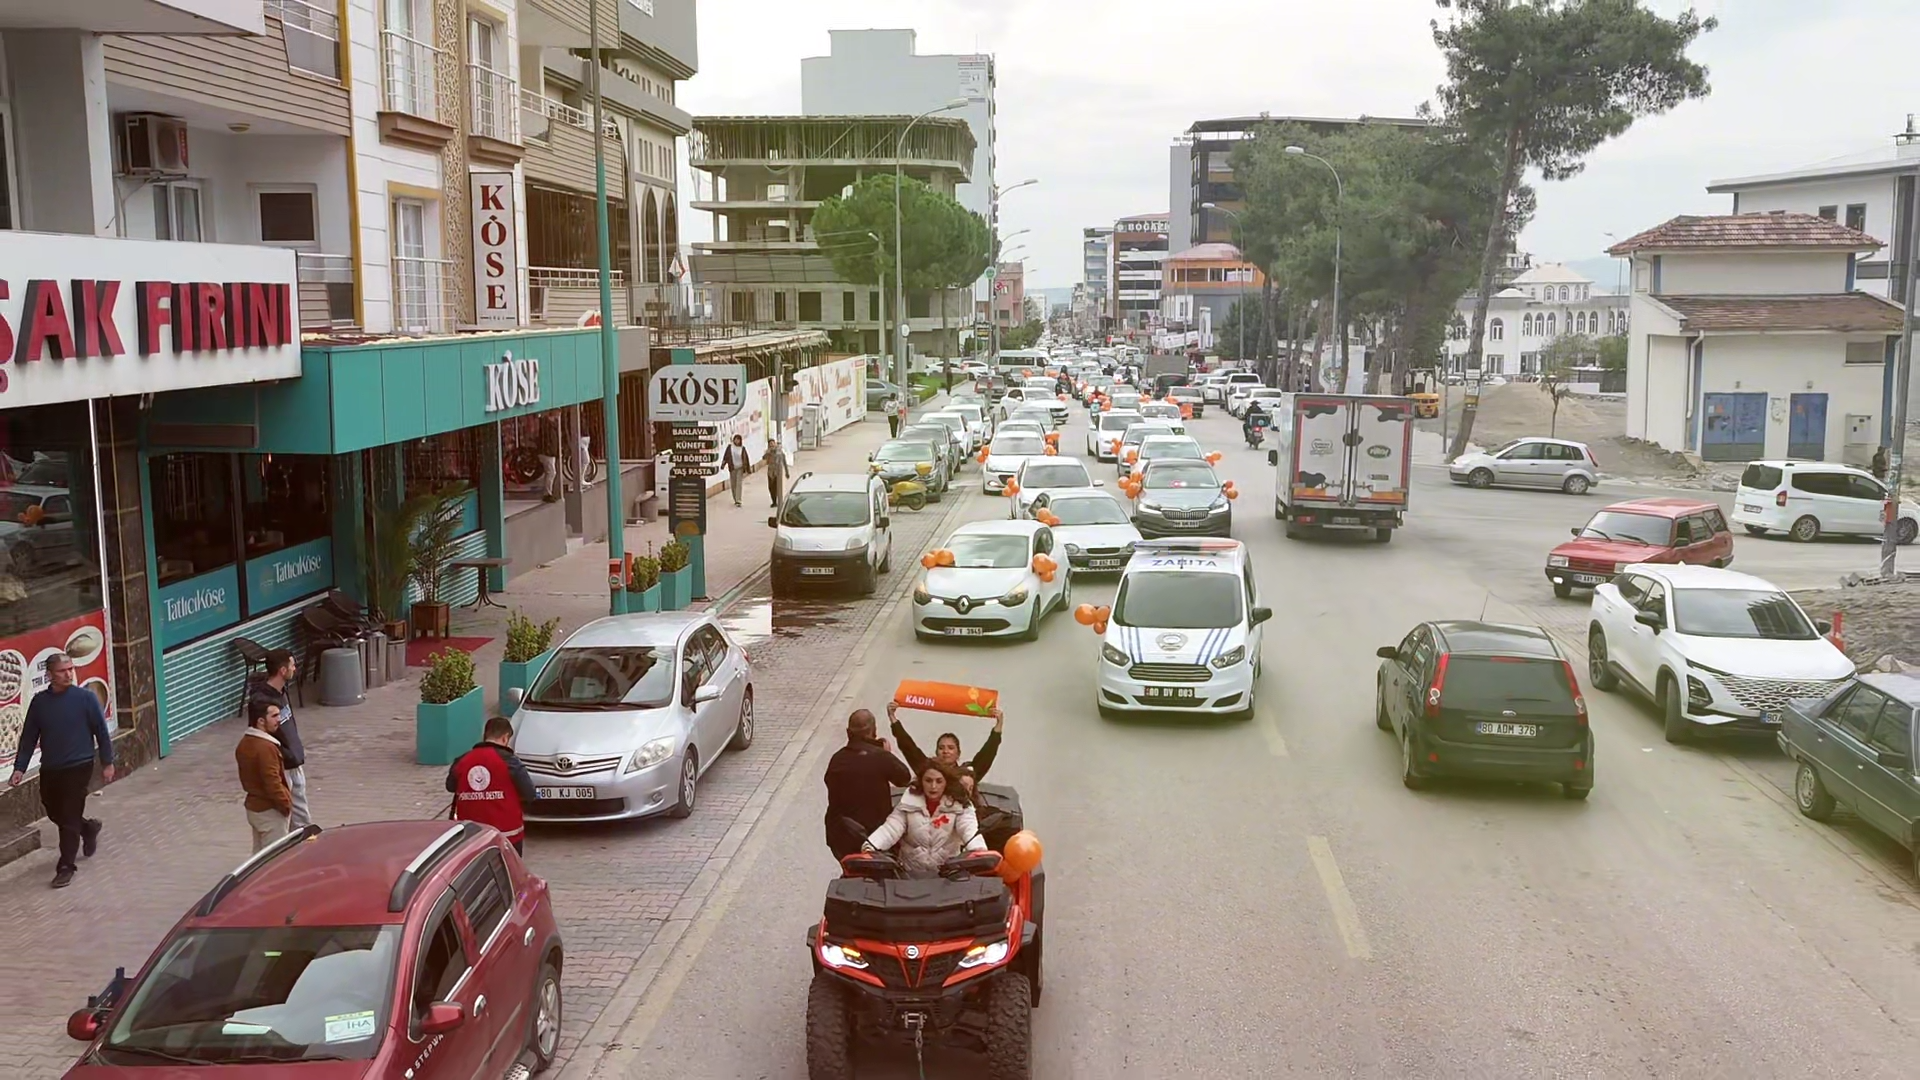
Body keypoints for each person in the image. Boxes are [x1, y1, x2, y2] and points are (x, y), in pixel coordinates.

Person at [9, 651, 114, 889]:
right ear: (50, 675)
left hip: (79, 765)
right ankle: (87, 828)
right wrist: (19, 768)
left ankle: (66, 866)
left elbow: (101, 731)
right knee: (54, 811)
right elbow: (28, 737)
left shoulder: (85, 698)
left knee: (67, 817)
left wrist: (107, 762)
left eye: (70, 669)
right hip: (52, 767)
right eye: (62, 671)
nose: (68, 674)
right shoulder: (40, 703)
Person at [865, 760, 987, 876]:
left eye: (939, 781)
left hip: (948, 878)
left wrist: (979, 852)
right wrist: (870, 847)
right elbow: (890, 829)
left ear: (946, 782)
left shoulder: (961, 804)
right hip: (910, 876)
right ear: (921, 781)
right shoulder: (908, 803)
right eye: (928, 780)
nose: (933, 786)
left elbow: (969, 830)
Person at [823, 709, 911, 860]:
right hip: (875, 836)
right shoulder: (880, 756)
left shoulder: (837, 759)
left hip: (841, 836)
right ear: (874, 731)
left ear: (848, 732)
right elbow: (904, 778)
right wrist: (886, 753)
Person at [448, 716, 538, 853]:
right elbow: (529, 793)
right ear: (505, 737)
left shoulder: (463, 760)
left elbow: (450, 786)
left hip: (472, 835)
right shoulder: (511, 761)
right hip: (507, 835)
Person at [247, 649, 309, 829]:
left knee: (302, 821)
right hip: (282, 767)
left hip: (294, 762)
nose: (294, 669)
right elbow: (259, 737)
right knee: (288, 822)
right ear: (282, 670)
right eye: (292, 665)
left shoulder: (281, 693)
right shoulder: (262, 701)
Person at [889, 702, 1002, 782]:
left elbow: (987, 754)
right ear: (936, 752)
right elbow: (909, 748)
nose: (946, 751)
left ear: (958, 753)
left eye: (951, 748)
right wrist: (893, 718)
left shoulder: (967, 773)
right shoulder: (927, 769)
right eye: (941, 748)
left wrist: (999, 725)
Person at [236, 698, 292, 853]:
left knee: (258, 857)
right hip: (269, 810)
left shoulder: (245, 743)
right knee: (274, 859)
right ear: (261, 721)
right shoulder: (265, 748)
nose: (279, 720)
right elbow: (272, 781)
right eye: (274, 716)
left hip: (255, 807)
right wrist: (285, 804)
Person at [724, 434, 752, 508]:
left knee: (739, 483)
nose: (737, 441)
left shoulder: (742, 448)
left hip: (740, 468)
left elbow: (746, 458)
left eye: (738, 439)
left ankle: (738, 500)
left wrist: (748, 469)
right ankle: (735, 498)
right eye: (736, 439)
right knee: (733, 484)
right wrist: (723, 465)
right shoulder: (730, 447)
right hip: (732, 467)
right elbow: (726, 456)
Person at [763, 437, 788, 508]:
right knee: (771, 487)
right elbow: (764, 458)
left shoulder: (779, 451)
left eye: (772, 443)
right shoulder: (768, 452)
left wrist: (786, 472)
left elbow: (784, 461)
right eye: (770, 444)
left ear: (775, 444)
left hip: (778, 472)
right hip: (770, 472)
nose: (771, 445)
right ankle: (773, 501)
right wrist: (768, 453)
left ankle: (778, 500)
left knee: (777, 487)